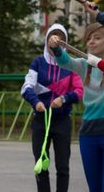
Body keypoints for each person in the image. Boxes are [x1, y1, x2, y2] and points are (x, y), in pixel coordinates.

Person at [48, 1, 104, 192]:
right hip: (89, 134)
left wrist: (99, 16)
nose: (91, 42)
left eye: (97, 38)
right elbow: (64, 61)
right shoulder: (82, 64)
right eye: (88, 39)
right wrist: (55, 47)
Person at [21, 23, 84, 192]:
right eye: (52, 37)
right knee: (41, 164)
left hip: (63, 121)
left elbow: (79, 92)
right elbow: (26, 87)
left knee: (63, 166)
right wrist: (36, 102)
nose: (55, 41)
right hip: (40, 121)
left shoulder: (71, 65)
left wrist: (64, 99)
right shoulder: (38, 62)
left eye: (60, 39)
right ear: (47, 41)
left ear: (64, 43)